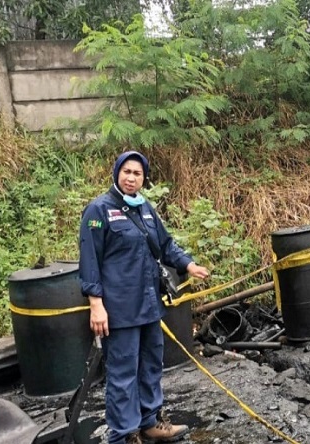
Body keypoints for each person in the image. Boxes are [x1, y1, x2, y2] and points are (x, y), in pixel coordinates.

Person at [79, 151, 210, 444]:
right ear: (116, 173)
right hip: (119, 308)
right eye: (126, 171)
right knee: (123, 372)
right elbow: (89, 260)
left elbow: (164, 245)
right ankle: (125, 434)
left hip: (149, 304)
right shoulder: (98, 211)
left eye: (137, 173)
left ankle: (150, 422)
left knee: (151, 364)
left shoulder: (145, 209)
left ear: (144, 178)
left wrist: (188, 264)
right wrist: (96, 304)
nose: (131, 178)